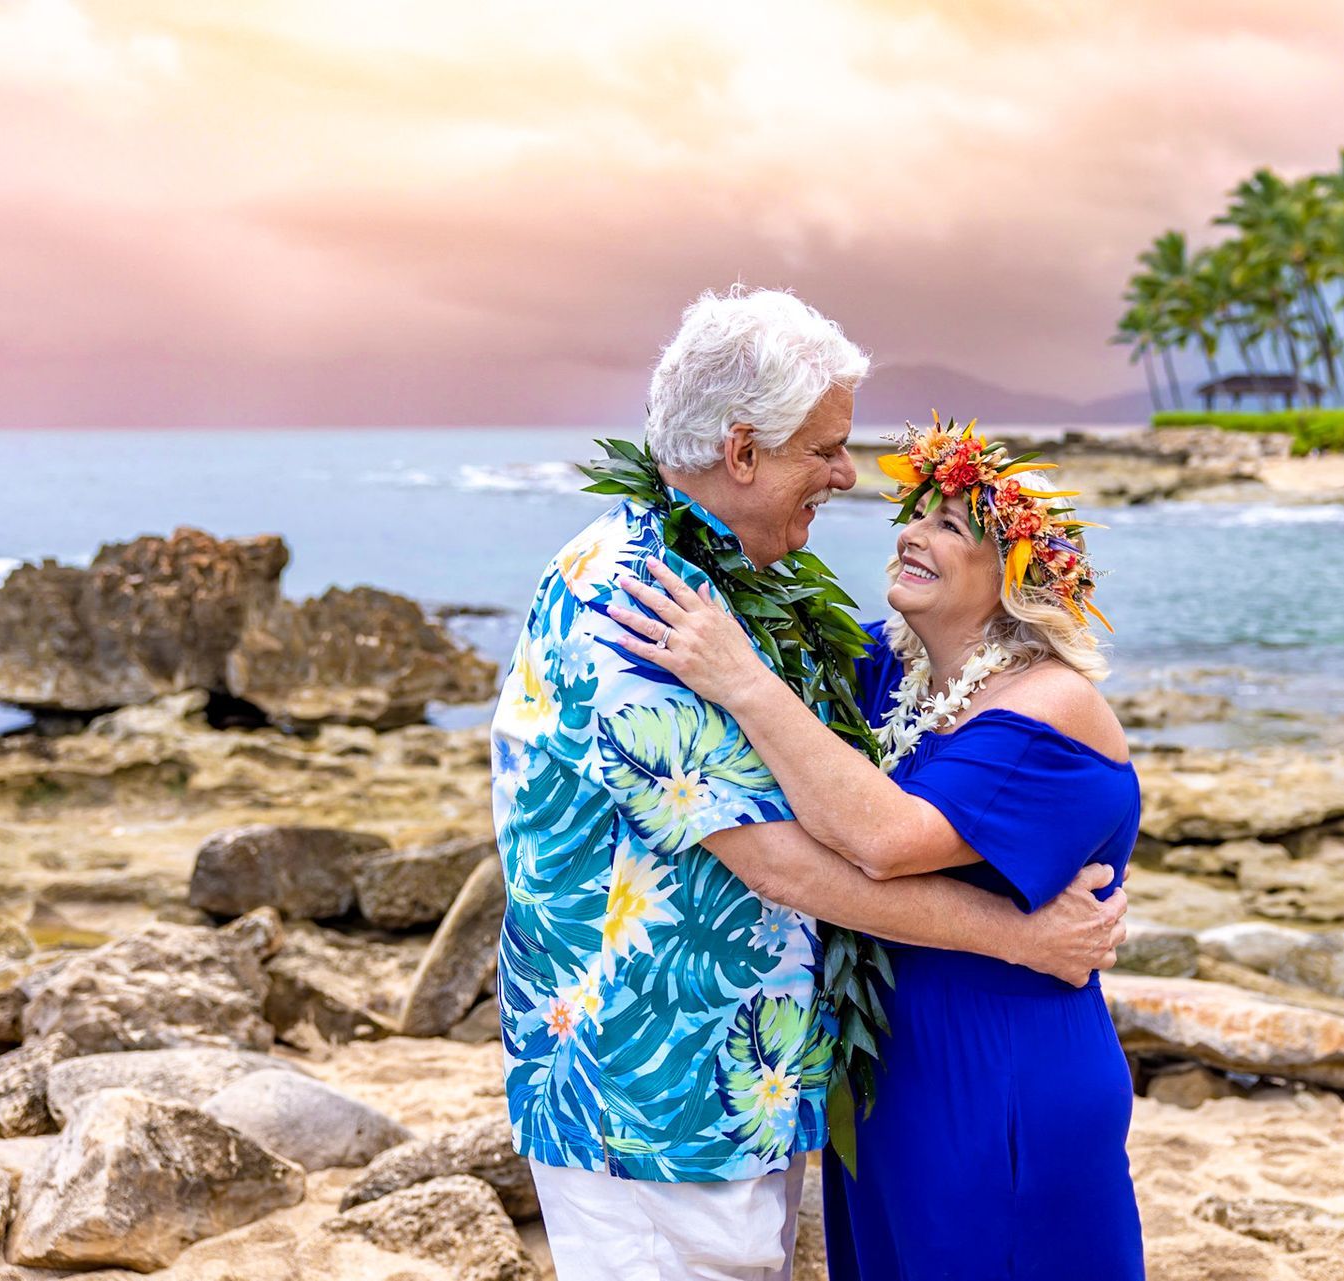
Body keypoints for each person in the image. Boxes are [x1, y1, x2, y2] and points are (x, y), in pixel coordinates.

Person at [491, 288, 1129, 1281]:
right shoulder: (642, 607)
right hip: (651, 1095)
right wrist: (1023, 938)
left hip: (742, 1083)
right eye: (825, 448)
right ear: (741, 453)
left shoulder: (735, 592)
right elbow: (784, 865)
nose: (847, 475)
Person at [611, 413, 1146, 1280]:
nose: (913, 532)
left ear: (1016, 578)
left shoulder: (1054, 707)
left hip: (1003, 1070)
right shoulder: (890, 670)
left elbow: (885, 838)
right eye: (915, 511)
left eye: (951, 524)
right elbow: (796, 743)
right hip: (884, 1067)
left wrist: (740, 677)